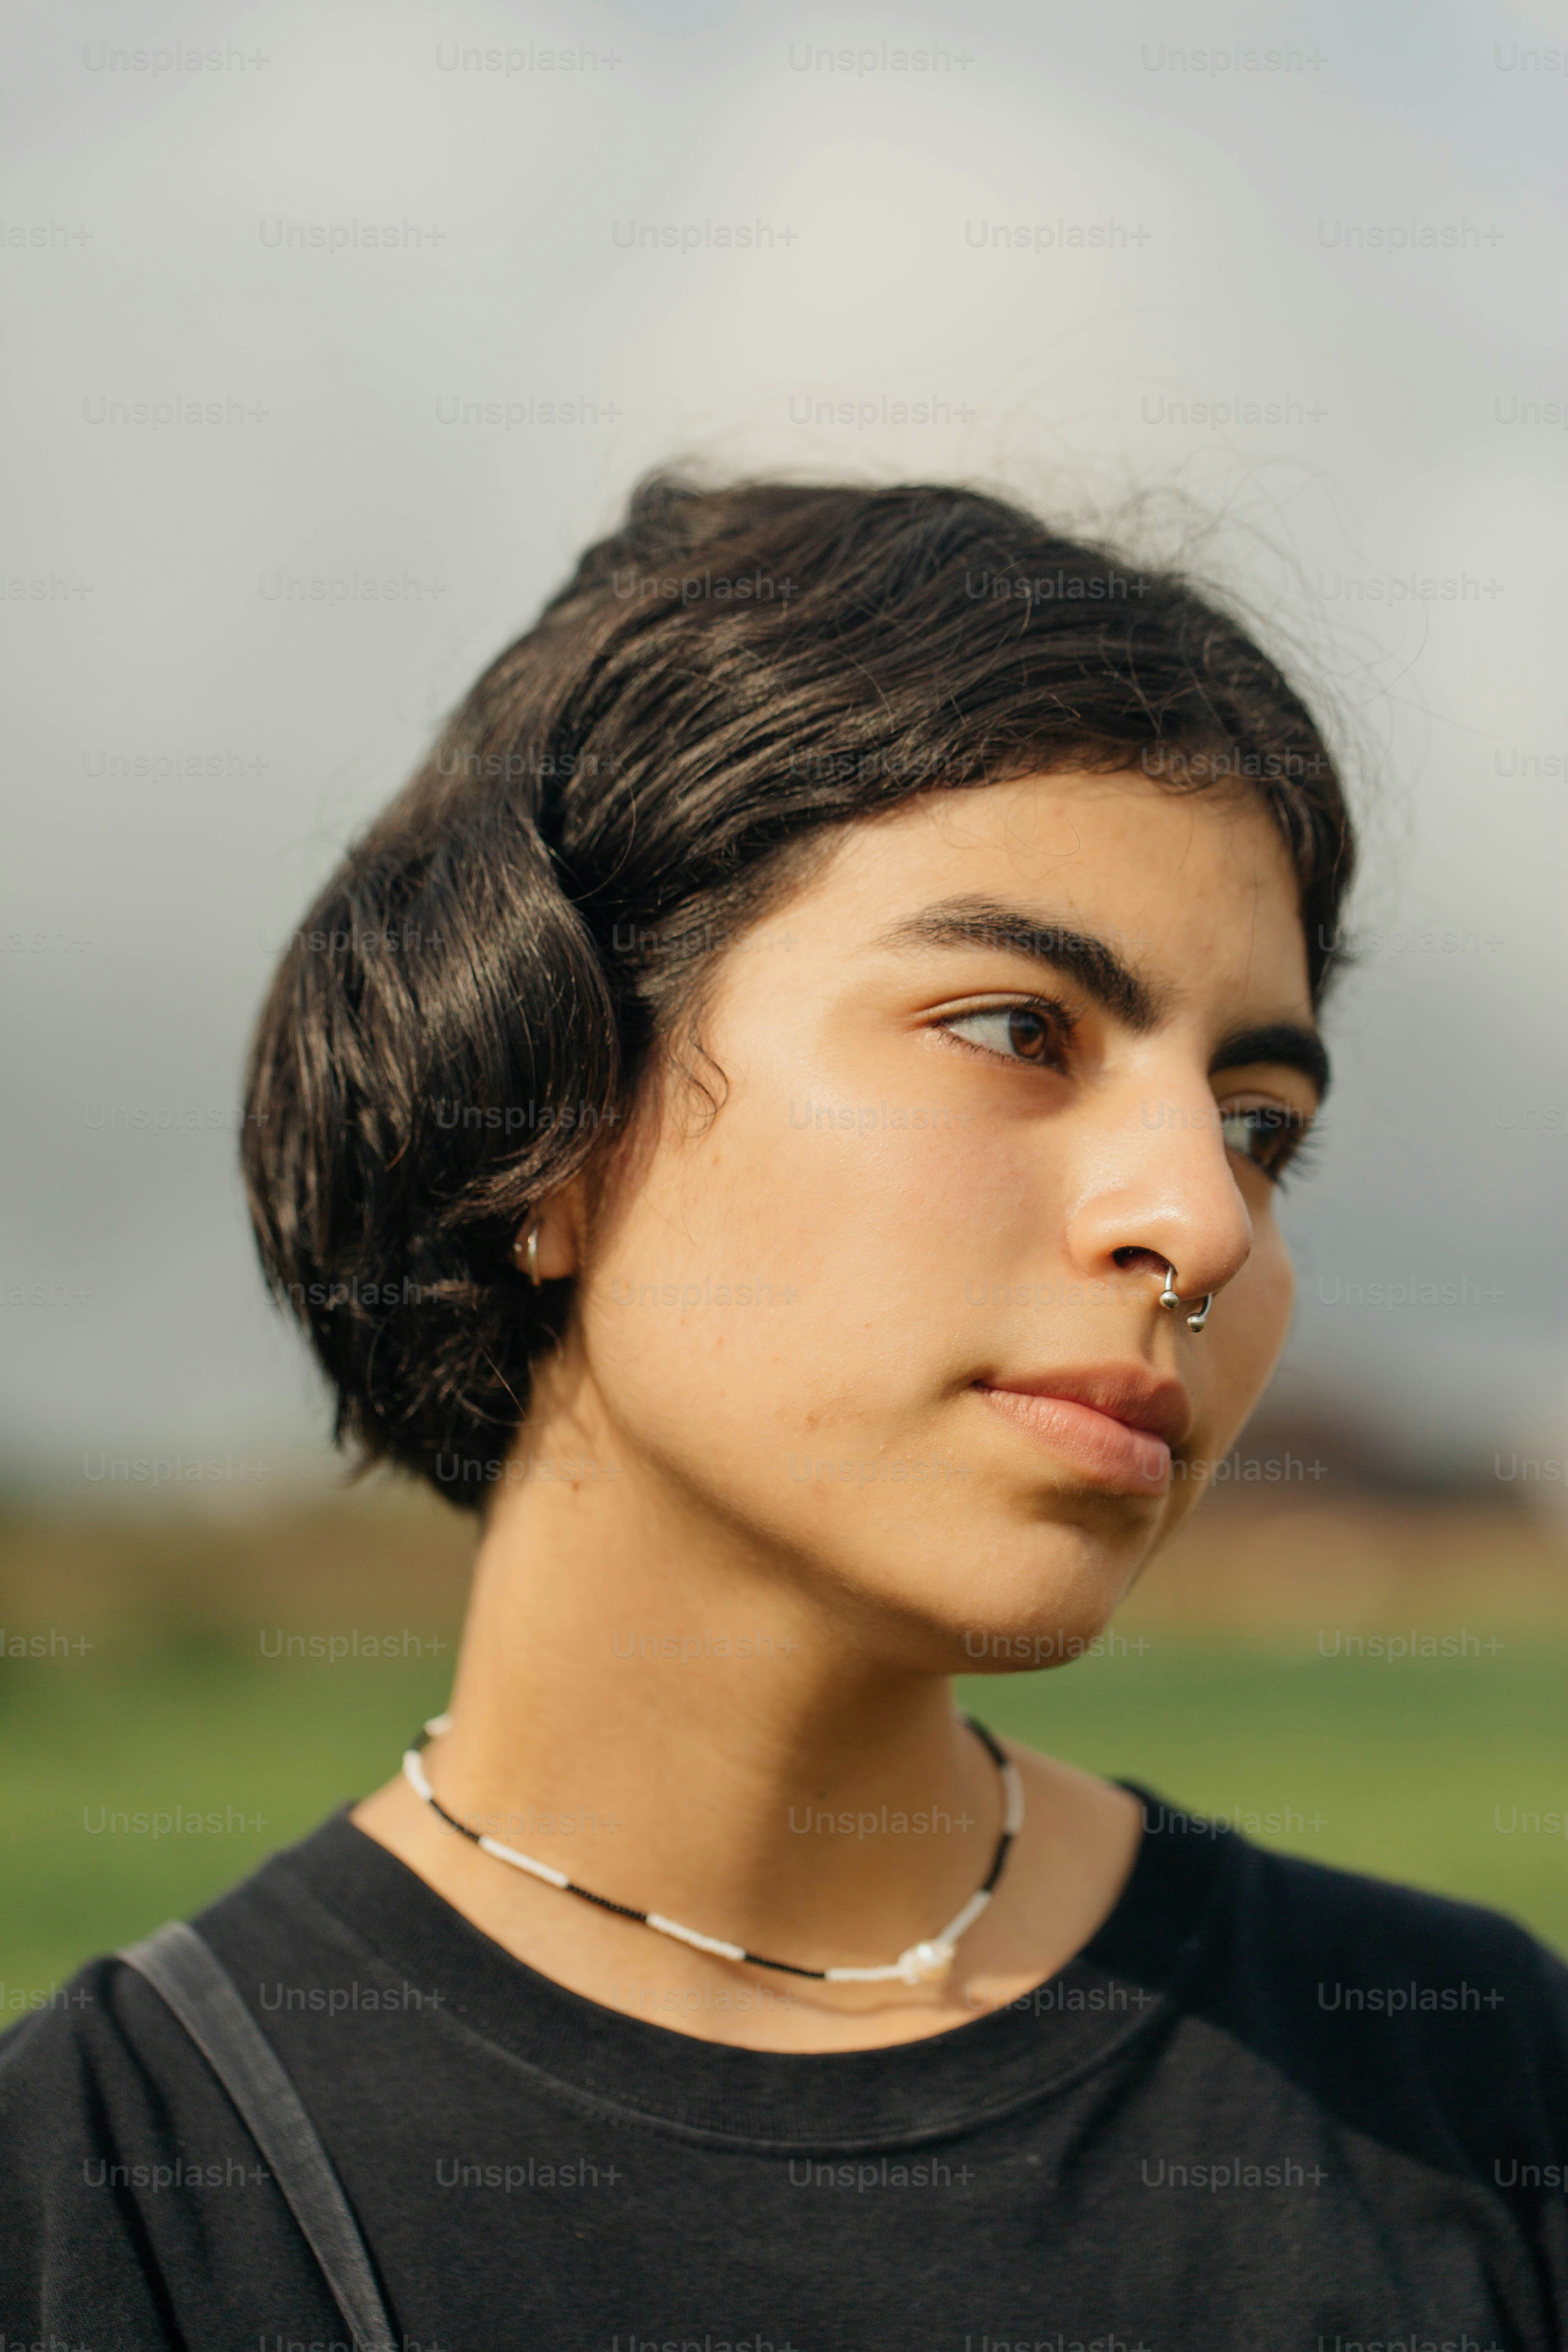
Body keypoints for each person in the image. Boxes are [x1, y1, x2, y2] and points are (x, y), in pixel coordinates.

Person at [3, 474, 1564, 2349]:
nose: (1204, 1219)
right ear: (549, 1128)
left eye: (1259, 1126)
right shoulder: (116, 2197)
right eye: (1014, 1030)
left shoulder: (1468, 2090)